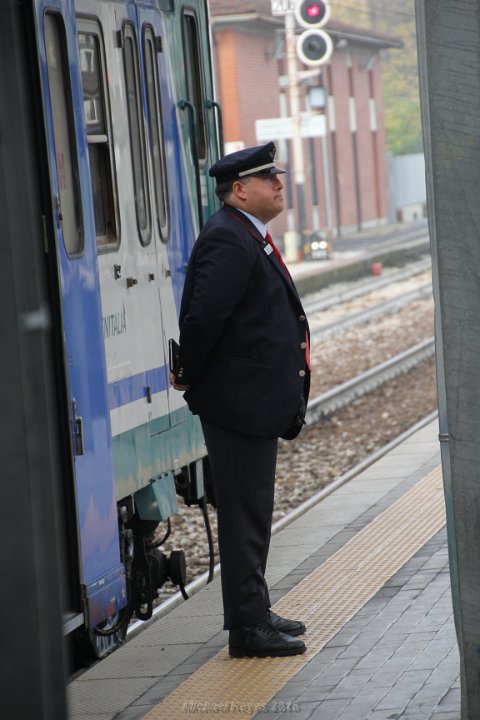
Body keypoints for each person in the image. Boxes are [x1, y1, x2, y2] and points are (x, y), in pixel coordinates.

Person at [171, 142, 311, 658]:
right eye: (267, 177)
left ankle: (255, 609)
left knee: (252, 511)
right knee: (243, 514)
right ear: (239, 190)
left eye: (278, 173)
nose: (278, 182)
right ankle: (248, 630)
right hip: (236, 402)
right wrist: (190, 371)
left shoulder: (246, 234)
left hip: (248, 400)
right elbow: (204, 318)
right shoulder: (230, 238)